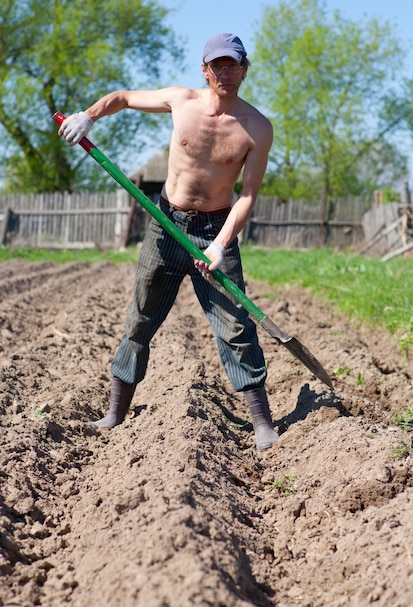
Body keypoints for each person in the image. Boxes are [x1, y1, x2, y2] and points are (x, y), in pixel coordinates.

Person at [59, 32, 278, 451]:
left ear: (244, 69)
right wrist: (89, 116)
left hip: (215, 232)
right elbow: (123, 97)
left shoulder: (256, 128)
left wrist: (220, 243)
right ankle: (115, 413)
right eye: (217, 66)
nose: (225, 73)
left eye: (233, 65)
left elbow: (248, 193)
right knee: (141, 317)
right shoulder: (182, 101)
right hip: (165, 223)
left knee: (235, 325)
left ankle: (262, 422)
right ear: (204, 70)